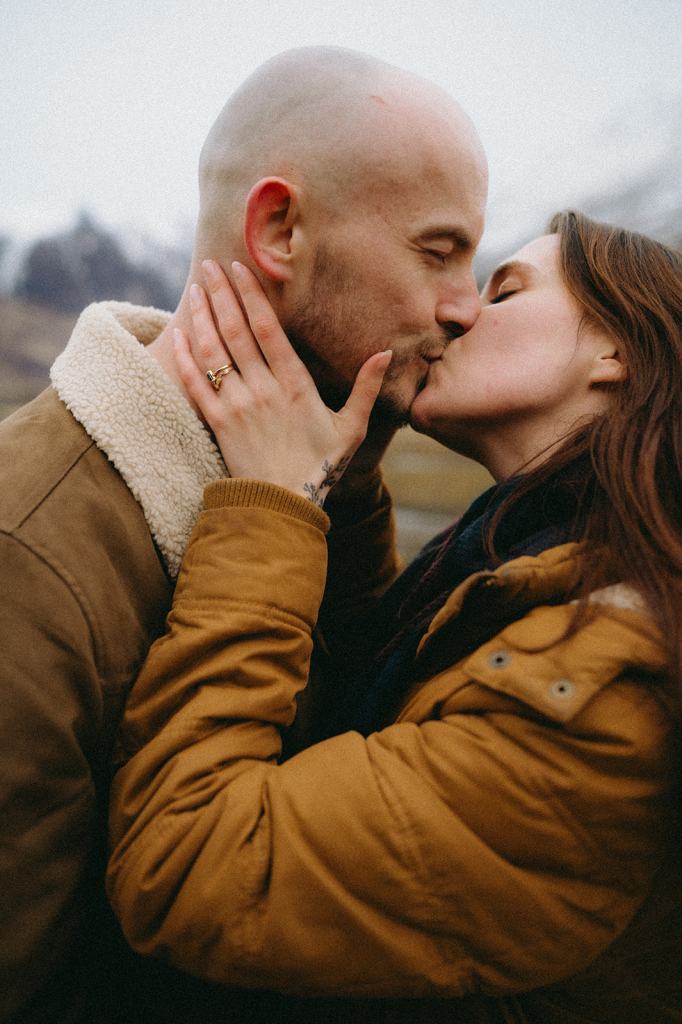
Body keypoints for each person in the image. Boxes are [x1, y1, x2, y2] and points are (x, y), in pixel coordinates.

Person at [0, 47, 486, 1024]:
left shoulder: (313, 483)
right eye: (438, 252)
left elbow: (348, 730)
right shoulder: (26, 554)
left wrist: (342, 475)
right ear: (279, 229)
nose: (466, 305)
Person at [108, 210, 682, 1024]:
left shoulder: (604, 706)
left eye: (505, 290)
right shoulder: (532, 559)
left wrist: (275, 503)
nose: (456, 313)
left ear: (617, 353)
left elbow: (190, 865)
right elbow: (392, 695)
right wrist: (345, 478)